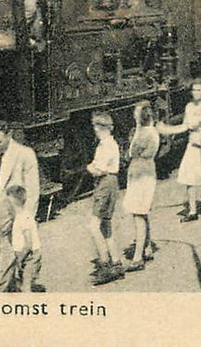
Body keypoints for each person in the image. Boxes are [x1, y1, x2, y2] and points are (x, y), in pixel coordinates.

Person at [0, 124, 40, 293]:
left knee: (11, 252)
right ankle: (10, 286)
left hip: (15, 209)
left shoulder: (25, 154)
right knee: (0, 252)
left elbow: (33, 190)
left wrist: (27, 217)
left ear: (9, 135)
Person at [158, 79, 201, 222]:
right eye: (194, 90)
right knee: (188, 177)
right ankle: (193, 210)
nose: (196, 93)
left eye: (199, 90)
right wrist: (166, 129)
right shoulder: (189, 107)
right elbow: (185, 126)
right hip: (193, 145)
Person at [122, 100, 160, 272]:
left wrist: (135, 133)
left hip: (139, 175)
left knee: (138, 215)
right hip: (146, 172)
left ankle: (138, 258)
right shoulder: (151, 131)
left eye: (135, 113)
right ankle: (148, 248)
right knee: (142, 214)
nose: (133, 115)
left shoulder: (143, 134)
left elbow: (131, 153)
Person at [87, 113, 125, 285]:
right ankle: (116, 262)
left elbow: (98, 169)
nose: (94, 130)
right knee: (106, 225)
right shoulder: (111, 143)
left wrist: (90, 168)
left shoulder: (105, 145)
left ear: (99, 128)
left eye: (95, 127)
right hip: (111, 183)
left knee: (93, 226)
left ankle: (105, 264)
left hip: (105, 183)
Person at [6, 185, 44, 292]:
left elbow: (28, 244)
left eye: (8, 203)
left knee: (26, 287)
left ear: (13, 203)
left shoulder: (24, 218)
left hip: (29, 257)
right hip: (25, 256)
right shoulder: (21, 217)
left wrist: (18, 260)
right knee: (24, 284)